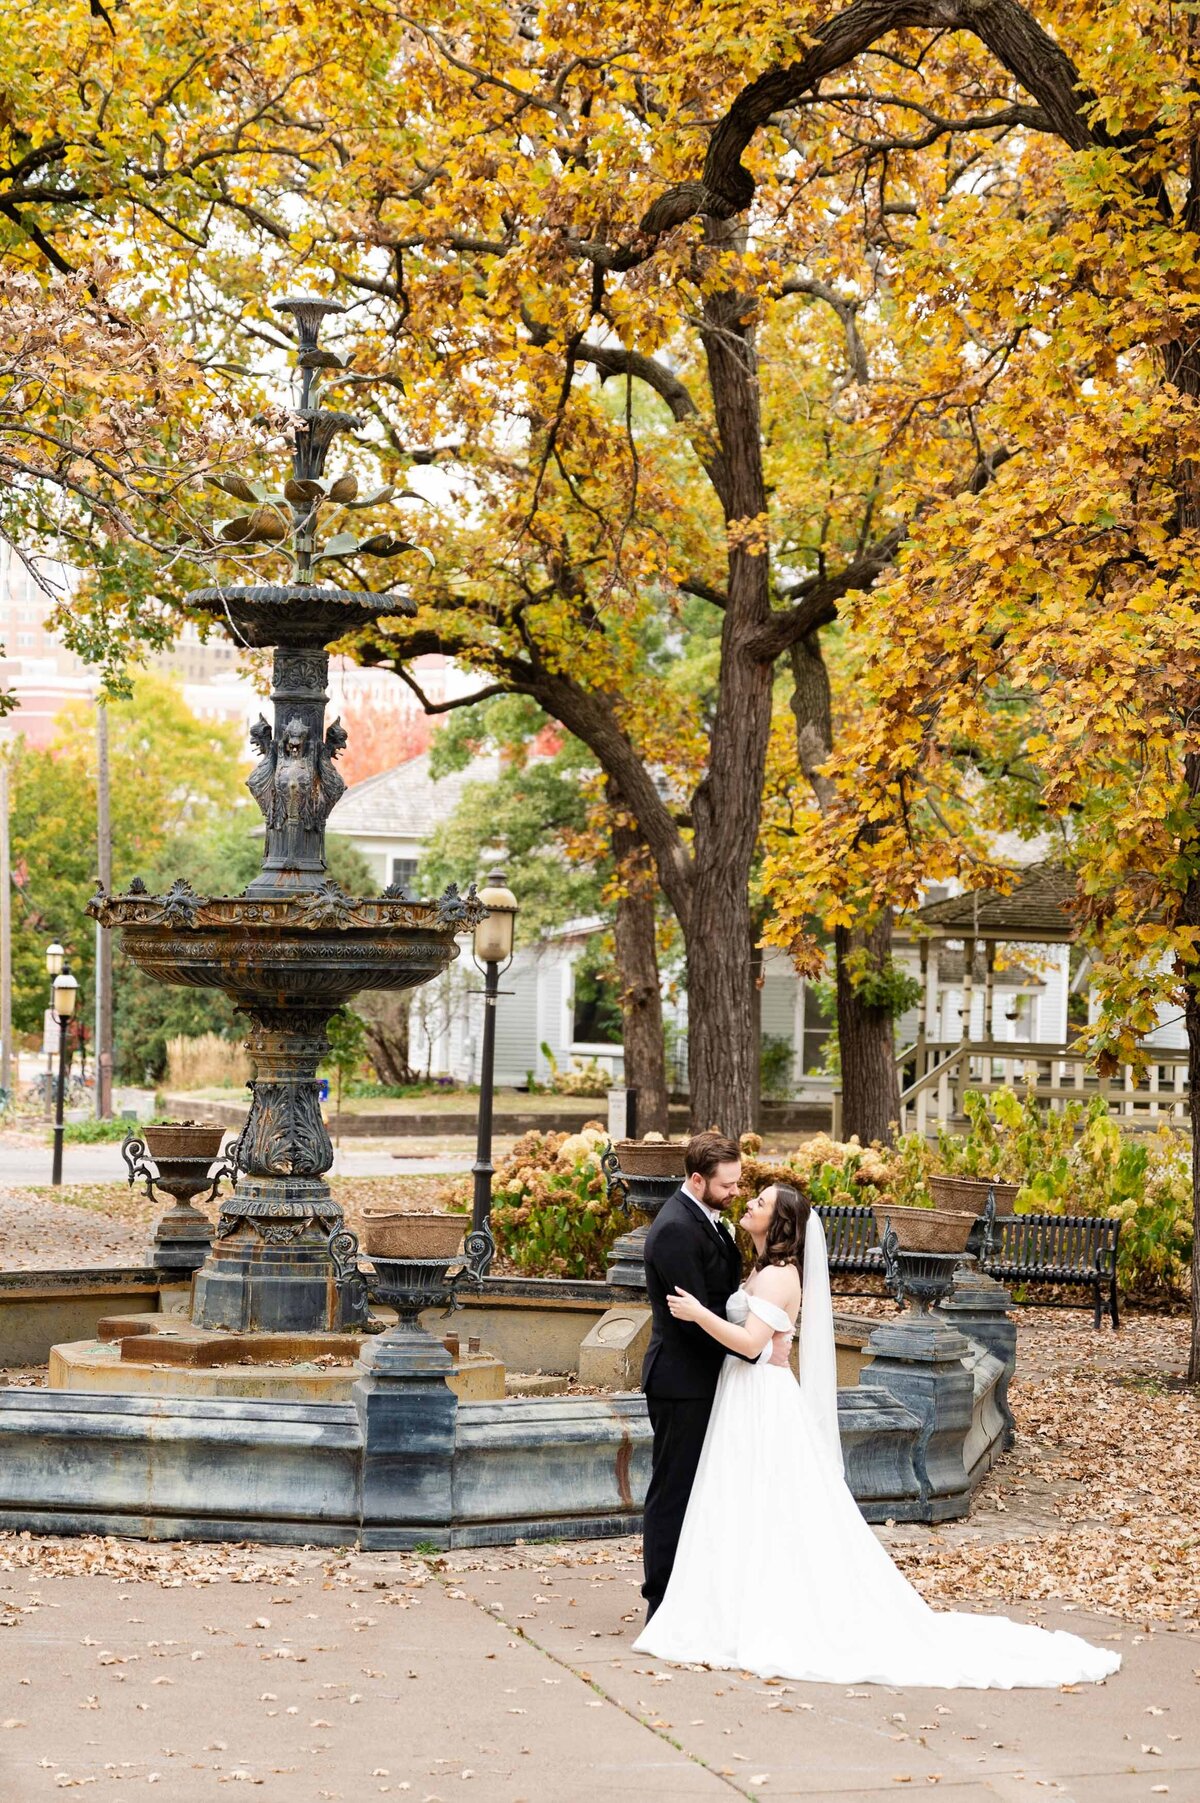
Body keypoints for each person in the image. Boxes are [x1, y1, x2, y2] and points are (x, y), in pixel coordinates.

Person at [634, 1183, 1121, 1689]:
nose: (750, 1204)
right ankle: (728, 1602)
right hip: (742, 1397)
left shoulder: (780, 1276)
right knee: (740, 1500)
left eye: (761, 1202)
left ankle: (767, 1610)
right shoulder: (760, 1269)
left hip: (761, 1397)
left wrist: (700, 1315)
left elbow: (755, 1345)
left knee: (772, 1500)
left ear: (779, 1224)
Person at [639, 1129, 745, 1619]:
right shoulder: (677, 1228)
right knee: (672, 1492)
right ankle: (659, 1604)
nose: (735, 1193)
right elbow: (696, 1315)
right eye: (727, 1185)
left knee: (700, 1490)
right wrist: (753, 1351)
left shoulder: (708, 1219)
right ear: (698, 1180)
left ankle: (692, 1594)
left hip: (705, 1377)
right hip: (681, 1382)